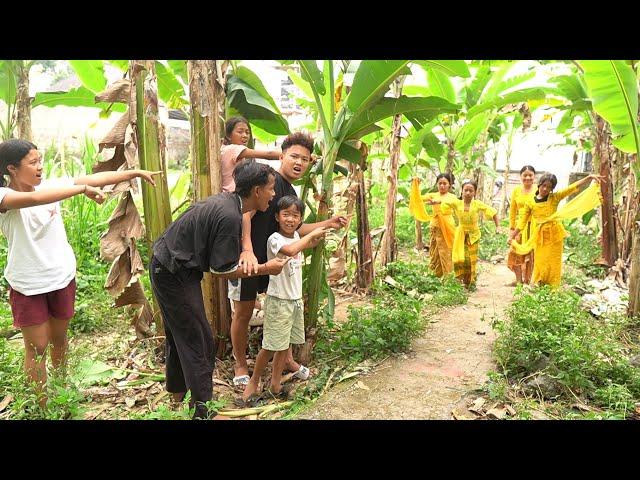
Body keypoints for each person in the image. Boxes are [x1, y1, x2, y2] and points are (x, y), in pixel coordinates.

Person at [0, 139, 161, 408]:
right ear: (12, 169)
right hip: (27, 283)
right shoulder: (4, 196)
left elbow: (96, 177)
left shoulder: (51, 185)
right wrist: (80, 189)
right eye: (33, 163)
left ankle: (62, 390)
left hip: (61, 276)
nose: (40, 167)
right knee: (37, 348)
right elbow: (32, 199)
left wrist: (133, 173)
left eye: (41, 160)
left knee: (59, 338)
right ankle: (43, 405)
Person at [149, 160, 289, 419]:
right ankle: (204, 412)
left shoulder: (229, 204)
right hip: (172, 271)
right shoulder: (230, 217)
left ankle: (178, 393)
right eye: (270, 189)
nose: (273, 194)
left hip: (170, 265)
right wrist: (265, 268)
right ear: (256, 191)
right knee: (199, 340)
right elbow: (221, 270)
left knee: (181, 333)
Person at [229, 132, 347, 387]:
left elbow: (295, 230)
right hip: (250, 257)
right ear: (281, 156)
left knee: (282, 310)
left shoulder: (290, 190)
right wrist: (247, 250)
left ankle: (288, 361)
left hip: (276, 261)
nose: (299, 162)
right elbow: (244, 214)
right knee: (244, 310)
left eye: (305, 159)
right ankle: (240, 363)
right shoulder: (266, 179)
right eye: (294, 156)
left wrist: (329, 222)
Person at [240, 196, 327, 404]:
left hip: (294, 300)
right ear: (277, 217)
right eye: (286, 214)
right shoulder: (275, 239)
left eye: (295, 215)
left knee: (283, 345)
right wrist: (312, 235)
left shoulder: (296, 235)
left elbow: (298, 247)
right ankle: (253, 381)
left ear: (300, 219)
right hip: (279, 301)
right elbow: (289, 250)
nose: (290, 219)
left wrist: (314, 238)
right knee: (270, 346)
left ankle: (275, 384)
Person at [508, 173, 603, 287]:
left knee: (553, 261)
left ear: (552, 189)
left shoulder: (555, 198)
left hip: (555, 234)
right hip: (540, 235)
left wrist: (588, 178)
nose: (545, 189)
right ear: (539, 185)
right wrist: (512, 235)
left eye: (549, 187)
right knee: (540, 260)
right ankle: (539, 282)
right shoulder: (530, 203)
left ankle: (553, 286)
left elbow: (570, 189)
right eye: (543, 186)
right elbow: (522, 222)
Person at [428, 179, 499, 289]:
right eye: (466, 190)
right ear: (462, 191)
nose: (468, 193)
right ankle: (459, 280)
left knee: (470, 258)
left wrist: (498, 226)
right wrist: (435, 202)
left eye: (471, 191)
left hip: (473, 235)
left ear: (475, 192)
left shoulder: (477, 204)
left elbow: (493, 212)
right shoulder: (457, 203)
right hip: (460, 234)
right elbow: (444, 202)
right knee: (459, 258)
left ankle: (470, 282)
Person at [409, 173, 457, 277]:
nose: (442, 186)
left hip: (448, 226)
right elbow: (418, 198)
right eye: (440, 183)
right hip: (435, 226)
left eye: (445, 183)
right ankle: (436, 274)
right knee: (435, 251)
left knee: (447, 251)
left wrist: (438, 202)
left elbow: (450, 203)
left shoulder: (452, 197)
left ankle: (448, 275)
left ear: (449, 185)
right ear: (437, 184)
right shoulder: (433, 195)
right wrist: (415, 184)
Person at [220, 116, 281, 193]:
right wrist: (287, 156)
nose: (245, 135)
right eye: (240, 132)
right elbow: (268, 154)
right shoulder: (233, 149)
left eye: (247, 132)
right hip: (232, 194)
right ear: (228, 135)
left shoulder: (225, 148)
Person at [507, 166, 536, 285]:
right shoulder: (516, 191)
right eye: (525, 175)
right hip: (519, 228)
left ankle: (528, 280)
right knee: (515, 253)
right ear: (521, 176)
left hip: (534, 227)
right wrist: (512, 228)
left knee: (531, 254)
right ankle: (519, 281)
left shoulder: (538, 190)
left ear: (534, 176)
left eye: (530, 175)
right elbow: (513, 211)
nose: (528, 177)